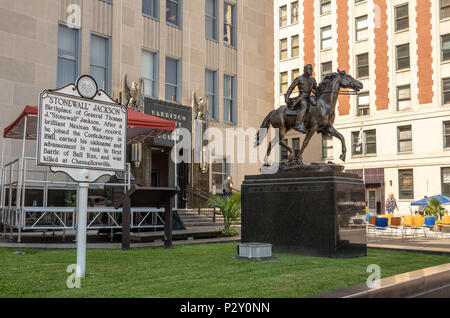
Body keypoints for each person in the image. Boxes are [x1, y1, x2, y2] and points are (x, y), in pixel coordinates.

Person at [284, 64, 318, 133]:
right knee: (304, 106)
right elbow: (291, 88)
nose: (311, 71)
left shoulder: (312, 79)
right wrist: (287, 97)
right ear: (305, 70)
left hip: (309, 97)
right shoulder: (299, 78)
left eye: (311, 69)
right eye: (309, 69)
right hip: (301, 98)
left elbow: (315, 89)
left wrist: (315, 91)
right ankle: (298, 124)